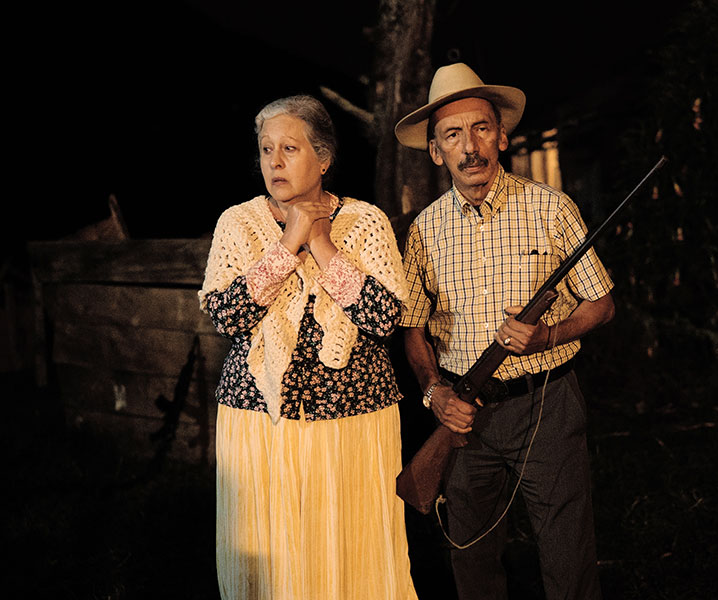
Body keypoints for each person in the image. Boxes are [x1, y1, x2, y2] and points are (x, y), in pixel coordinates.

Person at [395, 63, 615, 600]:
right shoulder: (423, 230)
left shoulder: (551, 208)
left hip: (547, 402)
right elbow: (413, 329)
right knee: (471, 561)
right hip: (464, 412)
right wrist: (434, 392)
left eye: (481, 128)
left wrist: (549, 336)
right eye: (453, 134)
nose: (470, 147)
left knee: (567, 557)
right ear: (435, 151)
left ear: (502, 136)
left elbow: (602, 305)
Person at [199, 94, 418, 600]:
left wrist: (319, 243)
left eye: (290, 149)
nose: (274, 162)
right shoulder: (238, 223)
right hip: (261, 419)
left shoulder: (365, 221)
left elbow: (384, 317)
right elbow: (227, 317)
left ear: (323, 159)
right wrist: (286, 245)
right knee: (273, 554)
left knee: (347, 551)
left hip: (351, 420)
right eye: (266, 149)